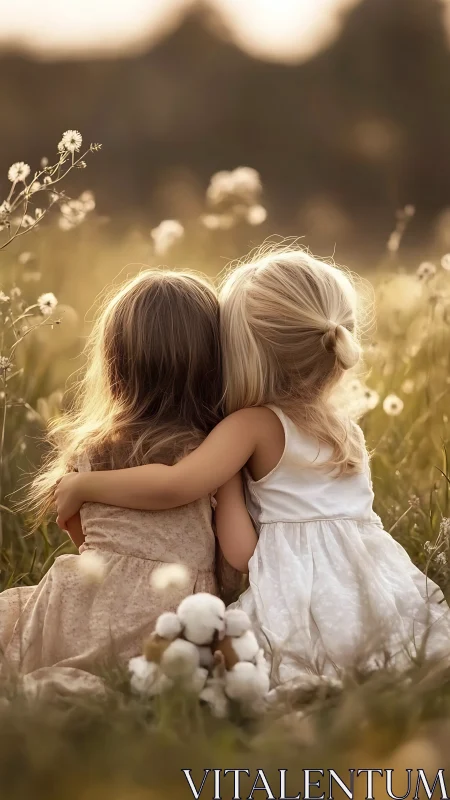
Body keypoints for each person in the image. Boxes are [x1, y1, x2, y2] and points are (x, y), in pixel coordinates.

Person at [55, 249, 450, 687]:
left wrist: (85, 485)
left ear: (247, 354)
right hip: (375, 592)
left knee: (250, 665)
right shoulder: (346, 432)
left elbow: (189, 498)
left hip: (300, 602)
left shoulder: (251, 426)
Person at [1, 269, 229, 694]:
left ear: (115, 364)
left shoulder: (93, 450)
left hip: (82, 603)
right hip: (168, 615)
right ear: (214, 365)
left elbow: (76, 530)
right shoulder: (210, 452)